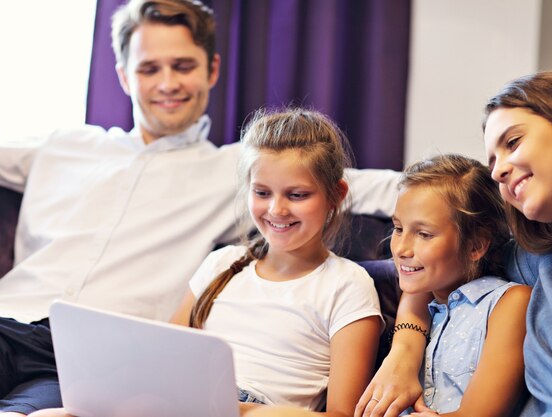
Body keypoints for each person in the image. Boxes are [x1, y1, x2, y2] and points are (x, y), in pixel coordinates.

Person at [0, 1, 399, 415]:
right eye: (149, 68)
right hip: (8, 319)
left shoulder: (244, 167)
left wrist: (464, 191)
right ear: (123, 75)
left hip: (91, 356)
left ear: (211, 70)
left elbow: (373, 186)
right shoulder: (63, 145)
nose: (167, 83)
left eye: (183, 66)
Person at [37, 107, 385, 417]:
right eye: (262, 192)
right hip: (185, 402)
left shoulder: (347, 285)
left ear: (335, 196)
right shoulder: (222, 264)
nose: (276, 210)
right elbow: (165, 356)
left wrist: (242, 409)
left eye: (297, 195)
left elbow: (343, 414)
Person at [355, 70, 552, 417]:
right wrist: (404, 351)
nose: (497, 171)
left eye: (512, 143)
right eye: (493, 161)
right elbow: (429, 268)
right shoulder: (539, 258)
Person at [364, 154, 530, 417]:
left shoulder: (509, 303)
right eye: (398, 228)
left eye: (424, 234)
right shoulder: (420, 298)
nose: (401, 249)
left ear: (476, 245)